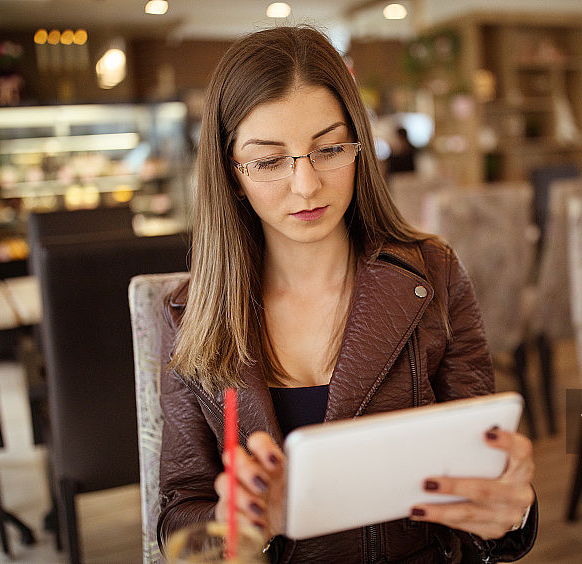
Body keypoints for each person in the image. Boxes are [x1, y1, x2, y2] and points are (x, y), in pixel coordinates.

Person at [158, 25, 537, 563]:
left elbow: (482, 471)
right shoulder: (188, 315)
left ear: (359, 146)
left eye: (329, 148)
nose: (307, 185)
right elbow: (178, 513)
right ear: (231, 171)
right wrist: (247, 522)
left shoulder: (435, 275)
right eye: (269, 161)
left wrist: (510, 515)